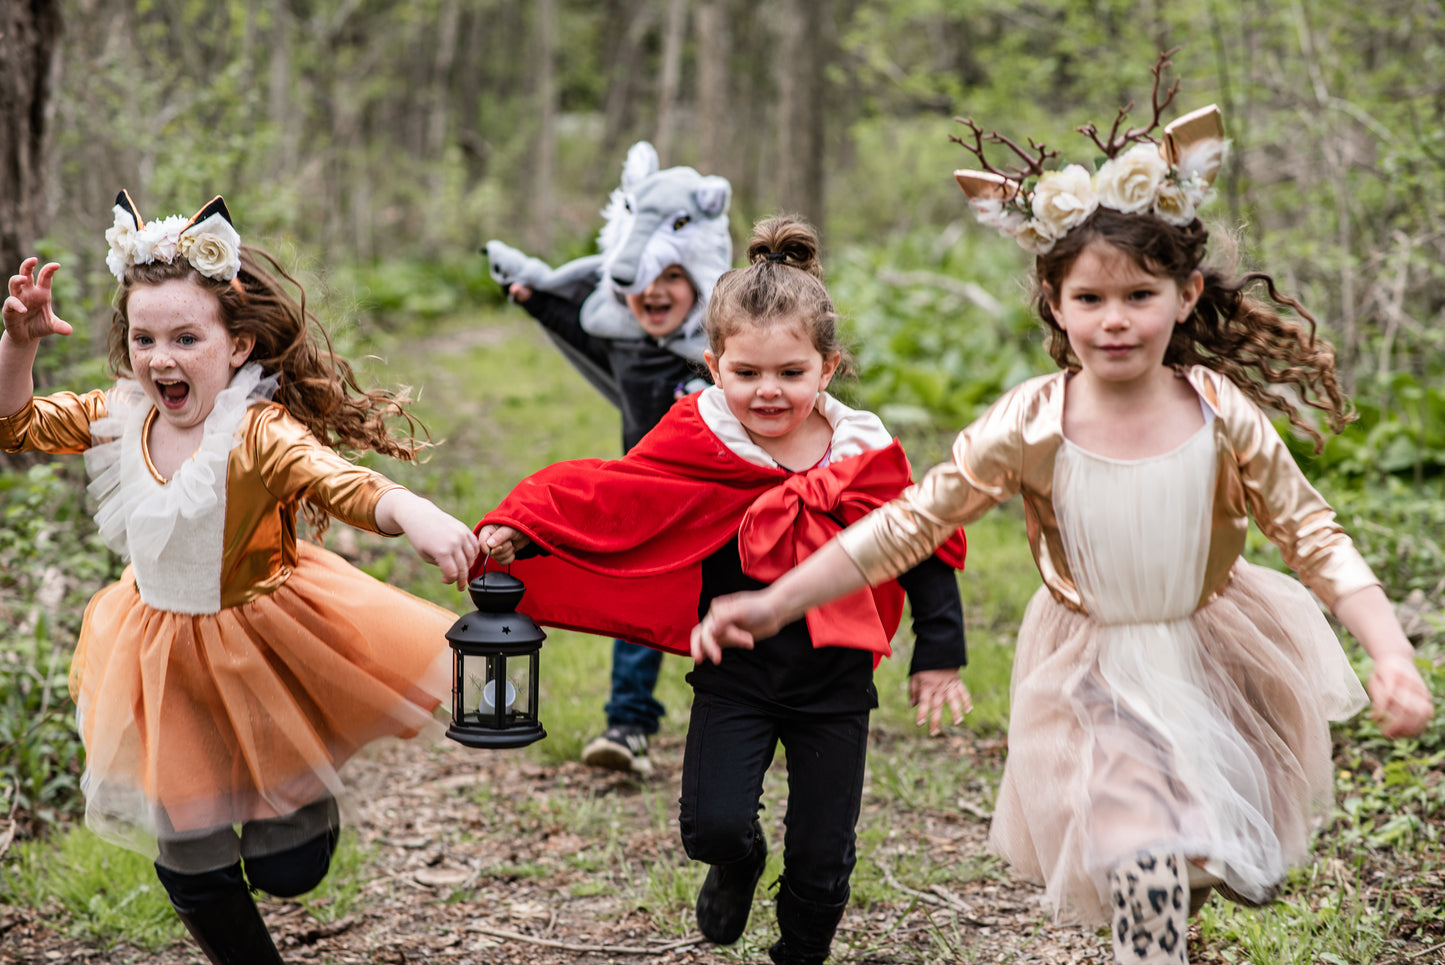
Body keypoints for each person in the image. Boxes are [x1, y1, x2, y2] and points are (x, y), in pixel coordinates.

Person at [692, 94, 1435, 965]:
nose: (1113, 318)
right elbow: (906, 525)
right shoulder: (1032, 423)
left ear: (1184, 293)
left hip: (1216, 646)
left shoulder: (1219, 413)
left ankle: (1178, 916)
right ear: (1054, 300)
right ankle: (1149, 948)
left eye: (1138, 295)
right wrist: (779, 600)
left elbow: (1313, 535)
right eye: (1089, 296)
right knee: (1139, 852)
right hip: (1092, 669)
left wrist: (1387, 650)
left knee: (1223, 861)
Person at [476, 216, 971, 965]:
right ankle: (738, 861)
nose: (767, 392)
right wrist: (524, 529)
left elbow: (921, 546)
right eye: (746, 374)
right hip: (733, 675)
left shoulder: (865, 455)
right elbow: (618, 498)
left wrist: (939, 649)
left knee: (822, 849)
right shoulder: (700, 437)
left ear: (828, 368)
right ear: (713, 366)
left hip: (835, 682)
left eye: (790, 374)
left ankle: (799, 951)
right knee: (711, 825)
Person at [0, 192, 480, 965]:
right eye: (145, 337)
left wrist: (413, 512)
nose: (161, 358)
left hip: (264, 638)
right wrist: (17, 345)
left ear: (238, 345)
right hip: (156, 650)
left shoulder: (257, 430)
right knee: (189, 855)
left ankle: (301, 812)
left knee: (289, 869)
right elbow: (13, 422)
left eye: (187, 336)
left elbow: (337, 481)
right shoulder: (119, 415)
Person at [483, 140, 733, 776]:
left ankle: (754, 717)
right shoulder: (627, 346)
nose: (653, 292)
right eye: (641, 282)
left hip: (728, 508)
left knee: (733, 607)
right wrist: (536, 298)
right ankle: (627, 726)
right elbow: (582, 332)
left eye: (671, 279)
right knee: (637, 600)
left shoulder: (728, 356)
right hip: (649, 500)